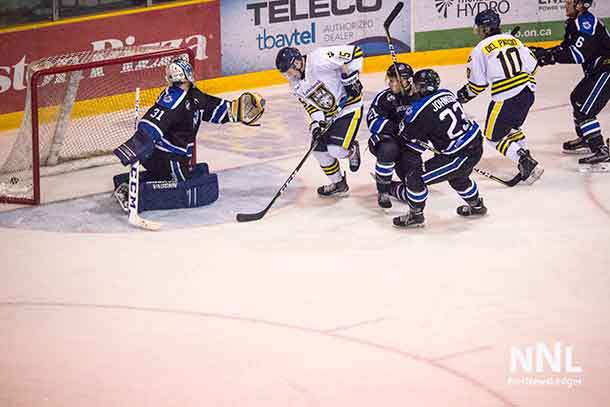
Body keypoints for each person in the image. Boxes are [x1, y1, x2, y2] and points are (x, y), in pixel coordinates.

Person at [112, 57, 264, 212]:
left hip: (168, 156)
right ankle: (138, 197)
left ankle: (126, 184)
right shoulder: (173, 99)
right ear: (188, 74)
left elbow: (210, 106)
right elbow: (152, 121)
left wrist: (235, 110)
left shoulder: (193, 95)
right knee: (195, 189)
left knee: (198, 172)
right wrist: (137, 145)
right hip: (167, 157)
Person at [457, 9, 543, 184]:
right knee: (512, 129)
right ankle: (528, 160)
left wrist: (463, 96)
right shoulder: (514, 41)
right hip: (527, 92)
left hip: (506, 97)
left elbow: (477, 85)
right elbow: (533, 66)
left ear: (485, 29)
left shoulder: (480, 49)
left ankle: (525, 162)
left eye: (479, 28)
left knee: (492, 137)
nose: (478, 31)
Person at [394, 69, 487, 228]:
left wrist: (408, 108)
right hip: (475, 144)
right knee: (458, 178)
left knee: (415, 178)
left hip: (458, 156)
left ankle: (416, 215)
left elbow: (406, 134)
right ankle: (477, 205)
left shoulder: (418, 109)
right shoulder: (447, 93)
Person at [530, 0, 610, 171]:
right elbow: (566, 48)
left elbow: (577, 54)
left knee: (584, 110)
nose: (566, 5)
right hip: (598, 70)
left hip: (606, 71)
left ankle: (600, 149)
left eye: (570, 2)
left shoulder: (586, 24)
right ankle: (587, 137)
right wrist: (546, 53)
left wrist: (550, 57)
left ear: (580, 6)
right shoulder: (575, 23)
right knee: (577, 98)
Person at [275, 45, 363, 197]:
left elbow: (356, 52)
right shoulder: (295, 84)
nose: (288, 76)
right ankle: (338, 183)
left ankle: (351, 150)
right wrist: (316, 125)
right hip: (329, 116)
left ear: (297, 63)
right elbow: (311, 107)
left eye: (289, 71)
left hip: (349, 108)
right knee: (318, 151)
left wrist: (351, 79)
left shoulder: (319, 58)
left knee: (336, 150)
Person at [366, 62, 414, 208]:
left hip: (409, 144)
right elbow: (372, 121)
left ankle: (394, 188)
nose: (391, 83)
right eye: (390, 80)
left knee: (413, 190)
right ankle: (383, 190)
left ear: (406, 80)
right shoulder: (384, 98)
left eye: (394, 80)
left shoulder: (418, 96)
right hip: (387, 139)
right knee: (388, 150)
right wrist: (395, 128)